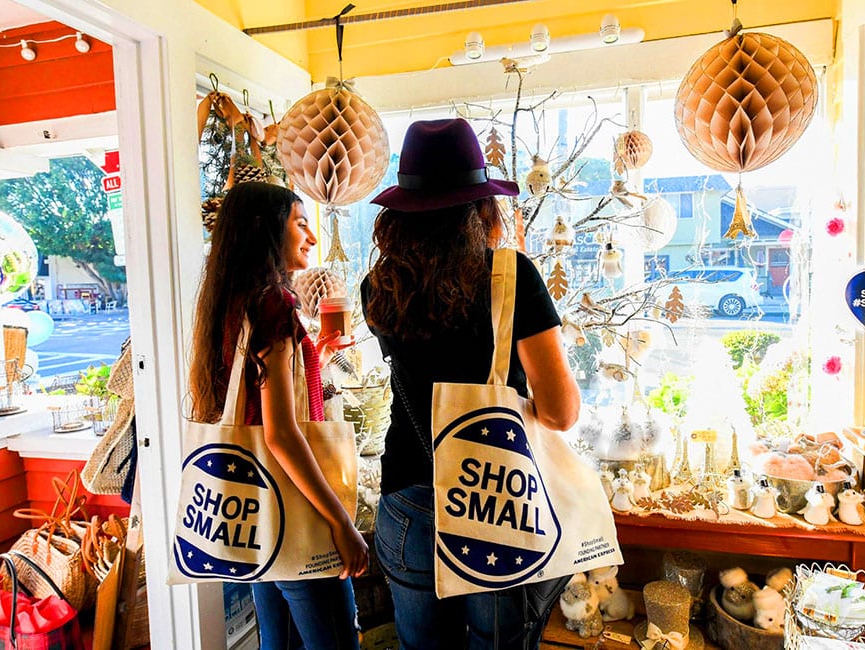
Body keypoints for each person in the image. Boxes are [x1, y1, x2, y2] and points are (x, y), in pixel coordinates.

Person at [362, 118, 581, 649]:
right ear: (481, 206)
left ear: (400, 213)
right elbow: (560, 412)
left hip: (408, 500)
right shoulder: (512, 276)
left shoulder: (378, 287)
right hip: (493, 501)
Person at [189, 181, 367, 650]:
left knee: (278, 642)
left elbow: (255, 401)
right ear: (266, 230)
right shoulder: (276, 304)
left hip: (257, 512)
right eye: (301, 223)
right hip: (294, 506)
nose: (311, 237)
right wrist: (341, 523)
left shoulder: (230, 303)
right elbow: (282, 435)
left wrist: (315, 360)